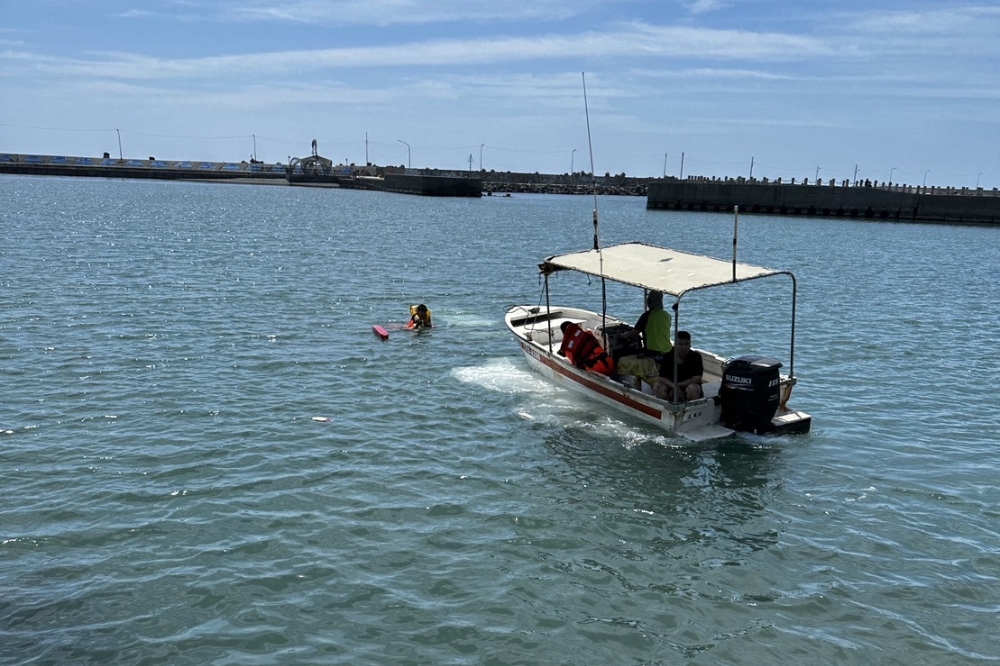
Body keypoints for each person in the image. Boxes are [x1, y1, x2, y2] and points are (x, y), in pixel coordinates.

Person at [654, 330, 704, 401]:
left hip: (687, 387)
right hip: (671, 386)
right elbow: (662, 377)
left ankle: (689, 409)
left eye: (686, 344)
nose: (683, 347)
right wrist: (674, 387)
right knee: (657, 387)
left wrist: (677, 386)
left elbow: (697, 378)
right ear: (675, 344)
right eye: (680, 344)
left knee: (694, 389)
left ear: (690, 344)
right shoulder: (667, 356)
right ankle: (667, 407)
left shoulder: (696, 357)